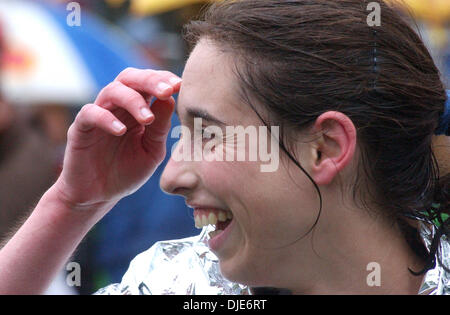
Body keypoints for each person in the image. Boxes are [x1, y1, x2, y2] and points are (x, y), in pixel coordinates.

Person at [0, 0, 449, 295]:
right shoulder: (190, 285)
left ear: (325, 148)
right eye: (182, 132)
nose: (170, 178)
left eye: (208, 134)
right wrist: (72, 203)